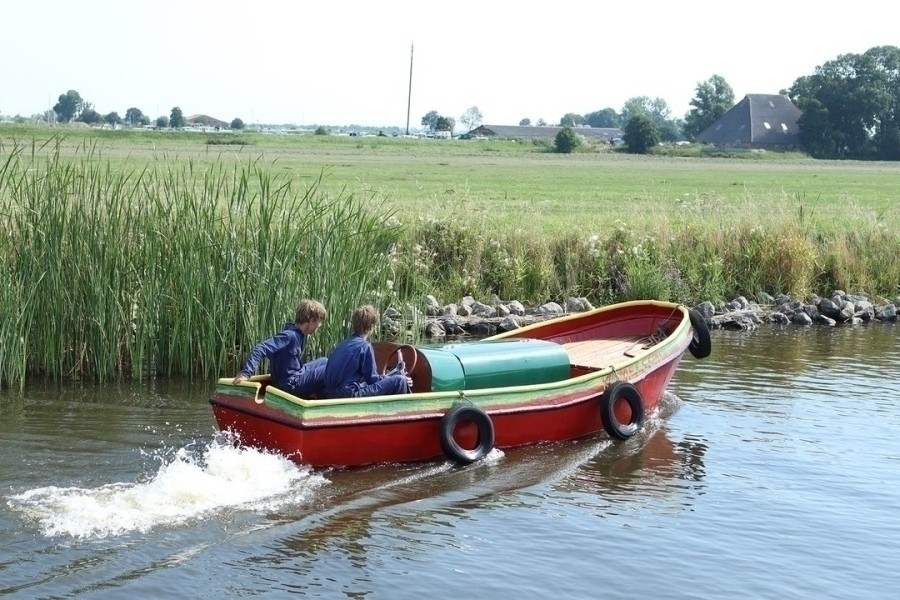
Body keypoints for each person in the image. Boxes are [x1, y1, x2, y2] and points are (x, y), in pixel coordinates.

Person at [233, 299, 328, 397]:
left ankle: (315, 393)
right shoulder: (289, 336)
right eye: (319, 322)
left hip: (297, 373)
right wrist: (245, 373)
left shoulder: (299, 335)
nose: (319, 326)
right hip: (289, 384)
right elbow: (260, 349)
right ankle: (323, 397)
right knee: (328, 369)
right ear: (312, 320)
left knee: (325, 361)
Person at [322, 304, 412, 398]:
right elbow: (373, 380)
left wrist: (389, 376)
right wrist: (394, 376)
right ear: (371, 326)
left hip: (329, 393)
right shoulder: (365, 347)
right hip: (348, 395)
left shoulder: (343, 343)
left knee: (365, 384)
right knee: (400, 380)